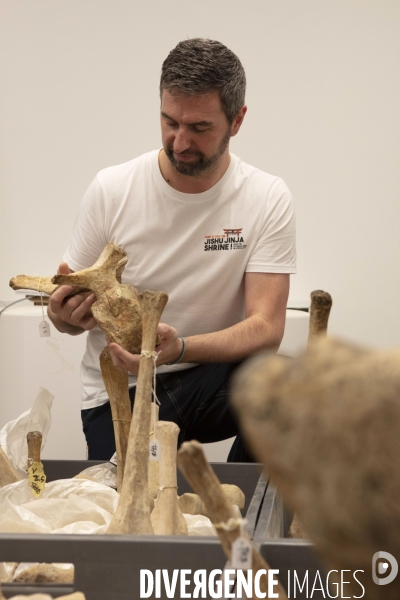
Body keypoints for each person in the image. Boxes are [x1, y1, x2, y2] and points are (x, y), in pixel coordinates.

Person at [47, 38, 296, 462]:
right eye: (169, 122)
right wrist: (62, 316)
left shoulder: (267, 197)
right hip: (122, 392)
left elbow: (266, 328)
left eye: (199, 128)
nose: (180, 142)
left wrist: (180, 348)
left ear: (237, 120)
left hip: (204, 375)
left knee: (288, 384)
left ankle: (241, 514)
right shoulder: (112, 190)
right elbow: (69, 319)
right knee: (136, 516)